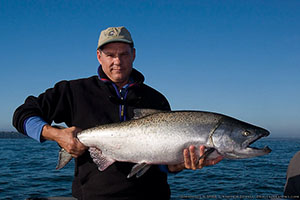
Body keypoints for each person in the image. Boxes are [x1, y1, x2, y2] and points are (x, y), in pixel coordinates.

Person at [13, 26, 223, 200]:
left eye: (123, 54)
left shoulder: (156, 99)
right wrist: (56, 134)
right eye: (110, 55)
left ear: (133, 54)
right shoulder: (72, 91)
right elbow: (22, 116)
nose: (117, 61)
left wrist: (177, 165)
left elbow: (162, 165)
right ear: (99, 56)